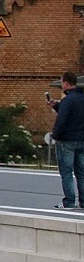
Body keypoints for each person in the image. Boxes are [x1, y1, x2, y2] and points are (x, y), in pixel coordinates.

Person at [50, 70, 84, 209]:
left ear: (66, 83)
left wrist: (55, 136)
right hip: (82, 140)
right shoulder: (81, 98)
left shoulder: (67, 100)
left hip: (67, 141)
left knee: (66, 173)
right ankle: (83, 201)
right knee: (81, 172)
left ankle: (69, 201)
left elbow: (62, 119)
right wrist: (56, 105)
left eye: (62, 81)